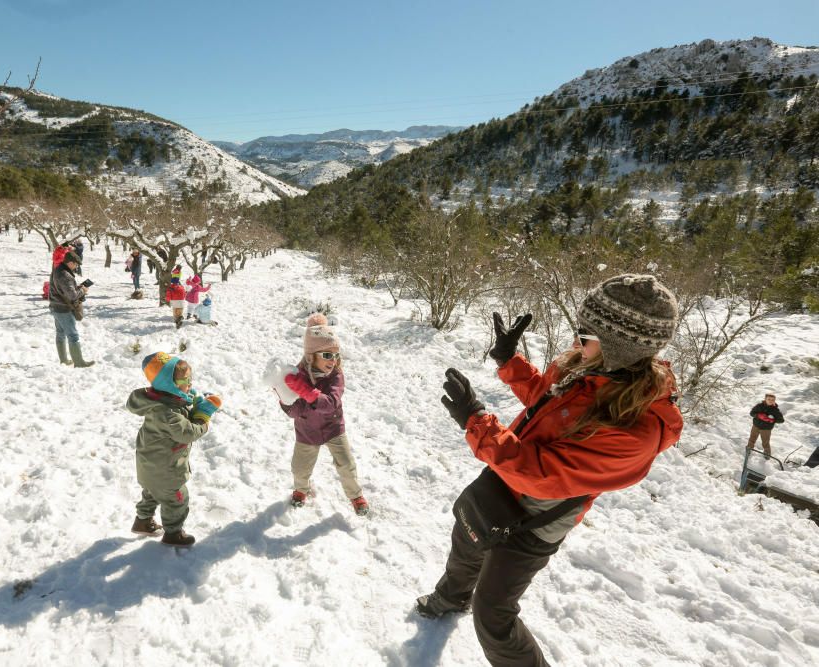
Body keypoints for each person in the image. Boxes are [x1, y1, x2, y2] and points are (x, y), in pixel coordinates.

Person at [417, 273, 683, 667]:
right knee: (467, 540)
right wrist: (510, 363)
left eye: (586, 333)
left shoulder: (637, 428)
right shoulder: (589, 366)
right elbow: (549, 402)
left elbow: (541, 474)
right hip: (503, 477)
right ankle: (451, 597)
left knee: (493, 612)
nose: (576, 340)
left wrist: (476, 421)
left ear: (619, 346)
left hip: (537, 518)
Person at [127, 351, 222, 547]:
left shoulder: (159, 401)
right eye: (184, 382)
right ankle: (173, 533)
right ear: (169, 386)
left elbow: (176, 409)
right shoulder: (167, 413)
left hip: (148, 466)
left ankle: (142, 521)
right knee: (177, 500)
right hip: (167, 471)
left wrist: (189, 401)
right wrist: (202, 415)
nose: (189, 384)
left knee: (152, 492)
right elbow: (188, 433)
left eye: (190, 379)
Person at [279, 313, 369, 516]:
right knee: (299, 468)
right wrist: (285, 398)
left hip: (333, 428)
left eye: (336, 355)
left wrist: (307, 392)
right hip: (307, 431)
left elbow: (331, 403)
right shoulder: (300, 375)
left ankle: (356, 496)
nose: (333, 360)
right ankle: (301, 490)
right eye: (327, 355)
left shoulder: (336, 375)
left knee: (346, 464)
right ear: (312, 355)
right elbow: (296, 412)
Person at [48, 251, 94, 368]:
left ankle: (64, 360)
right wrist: (83, 290)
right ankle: (79, 362)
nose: (77, 266)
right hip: (63, 308)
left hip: (55, 306)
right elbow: (72, 296)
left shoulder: (57, 269)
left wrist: (77, 288)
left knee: (60, 333)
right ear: (70, 263)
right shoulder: (65, 275)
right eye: (76, 264)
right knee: (72, 335)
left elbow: (65, 290)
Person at [746, 392, 784, 458]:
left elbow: (781, 420)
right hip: (756, 426)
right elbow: (752, 413)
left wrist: (772, 420)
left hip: (766, 429)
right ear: (765, 399)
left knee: (765, 442)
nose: (770, 401)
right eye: (769, 399)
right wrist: (758, 415)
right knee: (752, 438)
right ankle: (749, 448)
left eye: (772, 400)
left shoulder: (775, 410)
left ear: (774, 401)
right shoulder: (759, 406)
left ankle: (767, 454)